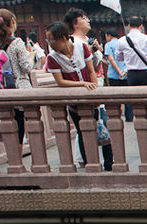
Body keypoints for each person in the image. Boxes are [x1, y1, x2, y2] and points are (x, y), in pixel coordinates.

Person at [45, 21, 113, 171]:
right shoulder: (52, 58)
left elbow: (91, 71)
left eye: (51, 39)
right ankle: (90, 165)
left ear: (63, 37)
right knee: (82, 133)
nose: (49, 43)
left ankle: (109, 165)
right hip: (74, 102)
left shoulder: (81, 48)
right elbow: (61, 81)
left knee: (104, 130)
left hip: (91, 97)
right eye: (47, 40)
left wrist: (94, 90)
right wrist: (82, 85)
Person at [0, 9, 31, 145]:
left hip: (4, 89)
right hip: (20, 88)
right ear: (13, 22)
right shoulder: (17, 43)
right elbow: (26, 67)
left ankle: (14, 161)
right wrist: (31, 56)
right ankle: (22, 161)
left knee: (12, 127)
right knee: (25, 126)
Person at [115, 16, 147, 135]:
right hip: (146, 72)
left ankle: (142, 124)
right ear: (141, 26)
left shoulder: (122, 40)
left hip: (132, 74)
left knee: (138, 101)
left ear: (129, 26)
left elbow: (118, 57)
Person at [105, 29, 132, 122]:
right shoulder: (123, 42)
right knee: (128, 96)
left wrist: (118, 71)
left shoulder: (108, 45)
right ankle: (129, 117)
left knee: (115, 97)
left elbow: (111, 60)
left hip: (114, 75)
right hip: (126, 73)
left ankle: (116, 116)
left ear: (109, 35)